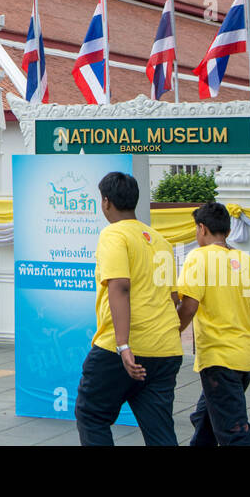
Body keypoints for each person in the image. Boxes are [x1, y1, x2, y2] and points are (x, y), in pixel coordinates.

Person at [74, 171, 182, 446]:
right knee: (159, 431)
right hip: (165, 350)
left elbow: (120, 285)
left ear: (106, 202)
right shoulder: (161, 242)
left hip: (120, 350)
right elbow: (173, 299)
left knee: (92, 414)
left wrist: (123, 345)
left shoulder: (114, 234)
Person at [175, 202, 250, 446]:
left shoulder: (198, 258)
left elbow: (188, 308)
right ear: (228, 232)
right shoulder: (248, 262)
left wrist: (167, 336)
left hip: (220, 361)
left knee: (235, 434)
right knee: (205, 420)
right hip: (247, 361)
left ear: (201, 228)